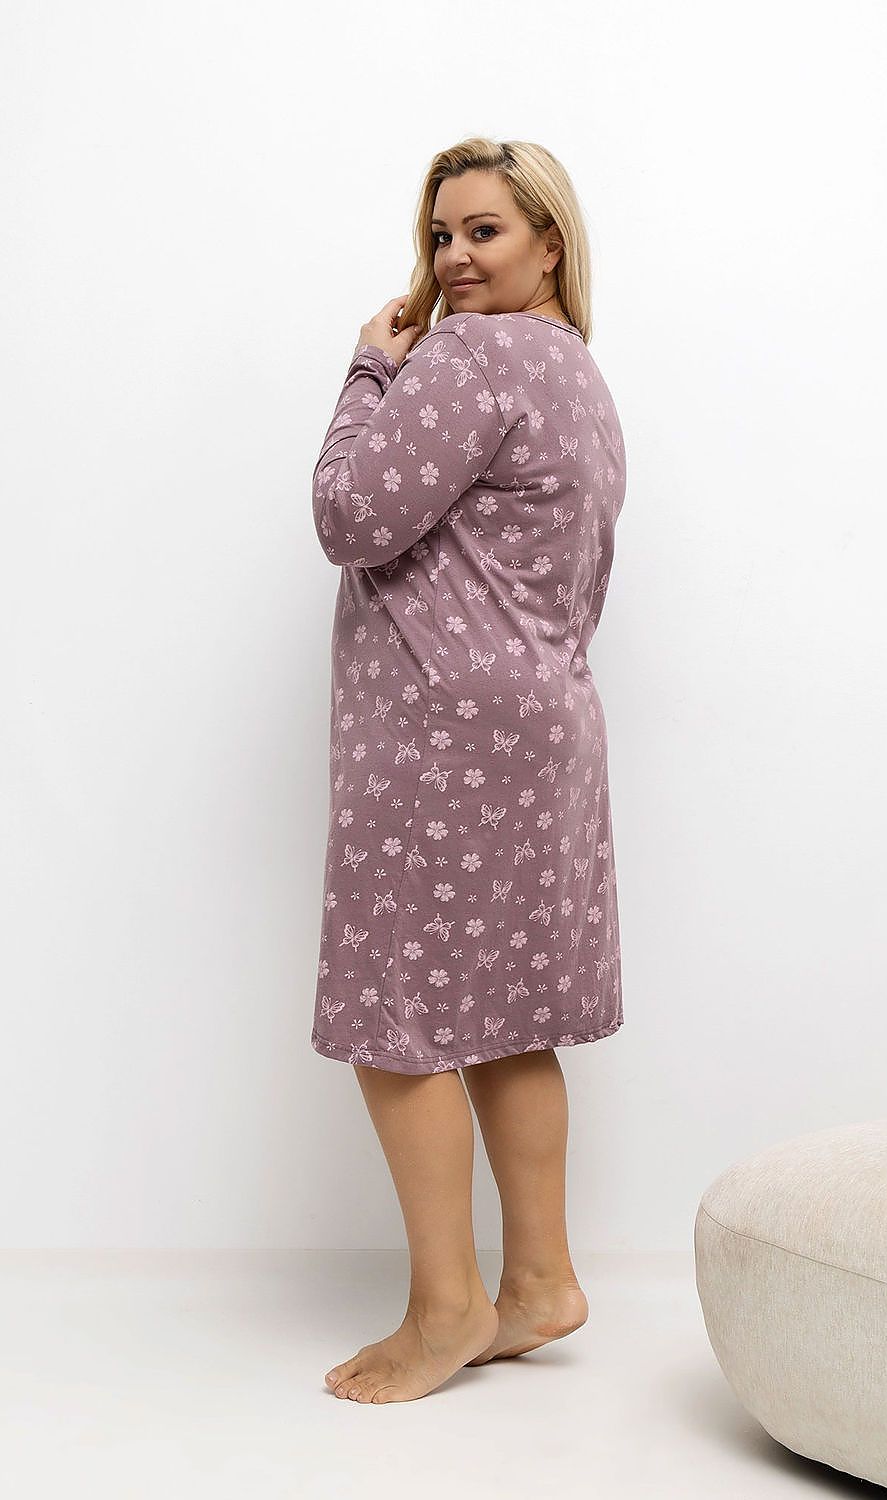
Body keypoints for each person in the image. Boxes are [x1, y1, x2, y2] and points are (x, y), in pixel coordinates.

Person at [310, 137, 628, 1403]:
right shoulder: (580, 375)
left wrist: (365, 371)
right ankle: (539, 1281)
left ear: (549, 240)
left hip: (442, 734)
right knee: (504, 1021)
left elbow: (347, 517)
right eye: (440, 236)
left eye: (484, 232)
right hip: (545, 720)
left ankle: (445, 1312)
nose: (452, 260)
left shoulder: (467, 356)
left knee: (397, 1026)